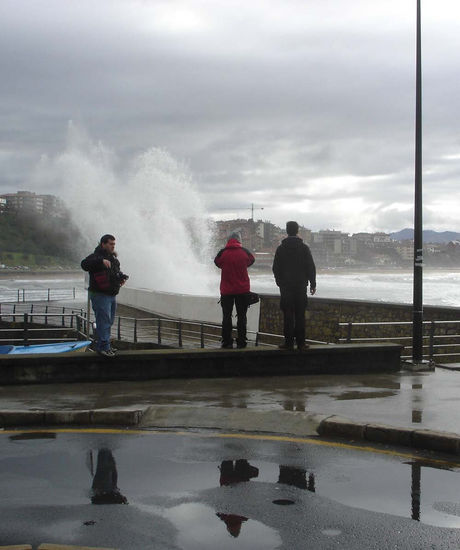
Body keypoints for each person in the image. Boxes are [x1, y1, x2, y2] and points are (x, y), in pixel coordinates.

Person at [81, 234, 129, 357]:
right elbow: (84, 264)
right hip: (99, 294)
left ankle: (104, 346)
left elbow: (115, 273)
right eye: (111, 244)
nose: (113, 246)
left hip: (111, 294)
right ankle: (104, 348)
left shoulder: (113, 259)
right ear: (103, 244)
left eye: (114, 244)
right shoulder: (96, 257)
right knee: (103, 321)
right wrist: (100, 261)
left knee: (109, 321)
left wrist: (121, 278)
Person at [272, 221, 316, 351]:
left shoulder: (281, 248)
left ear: (287, 231)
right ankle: (301, 343)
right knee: (300, 315)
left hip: (286, 288)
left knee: (288, 315)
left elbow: (276, 268)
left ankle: (288, 343)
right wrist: (312, 284)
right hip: (300, 286)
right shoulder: (304, 248)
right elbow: (310, 267)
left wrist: (280, 282)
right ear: (297, 231)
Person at [214, 232, 255, 348]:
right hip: (242, 290)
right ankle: (242, 341)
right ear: (239, 240)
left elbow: (217, 262)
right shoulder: (244, 252)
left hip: (226, 291)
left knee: (226, 316)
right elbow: (251, 260)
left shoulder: (223, 252)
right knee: (242, 317)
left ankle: (227, 341)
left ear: (228, 240)